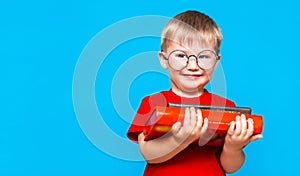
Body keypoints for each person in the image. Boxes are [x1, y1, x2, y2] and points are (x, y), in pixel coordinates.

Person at [127, 10, 262, 176]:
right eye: (181, 55)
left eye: (204, 56)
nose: (192, 65)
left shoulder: (226, 107)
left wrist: (233, 147)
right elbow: (149, 155)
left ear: (216, 61)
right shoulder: (152, 102)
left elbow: (229, 167)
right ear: (164, 59)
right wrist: (181, 138)